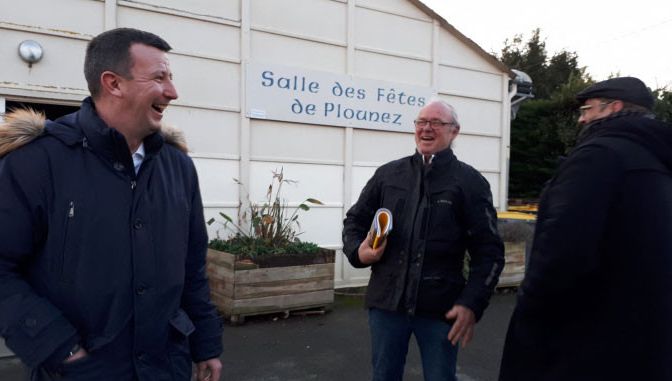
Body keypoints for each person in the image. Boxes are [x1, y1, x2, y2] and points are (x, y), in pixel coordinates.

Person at [0, 28, 222, 380]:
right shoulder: (35, 163)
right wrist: (62, 349)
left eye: (171, 78)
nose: (173, 92)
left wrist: (206, 344)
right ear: (113, 83)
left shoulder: (178, 167)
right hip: (80, 370)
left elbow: (192, 266)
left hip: (168, 366)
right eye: (159, 78)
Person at [499, 77, 672, 380]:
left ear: (613, 107)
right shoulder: (659, 161)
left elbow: (563, 253)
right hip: (646, 335)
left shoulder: (598, 156)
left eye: (587, 110)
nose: (581, 119)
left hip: (585, 341)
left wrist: (530, 312)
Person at [342, 100, 505, 381]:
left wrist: (471, 303)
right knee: (383, 376)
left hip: (441, 308)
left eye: (437, 123)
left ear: (454, 132)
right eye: (421, 122)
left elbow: (489, 251)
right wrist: (359, 252)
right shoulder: (388, 174)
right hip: (386, 304)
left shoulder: (470, 182)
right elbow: (354, 221)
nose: (427, 128)